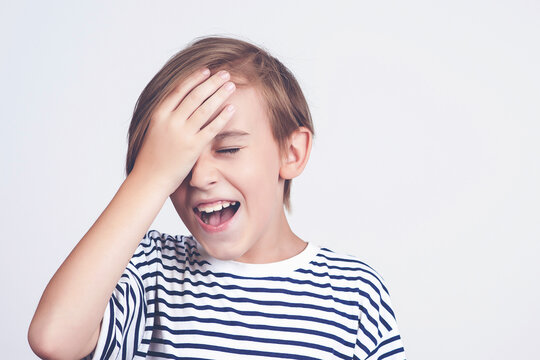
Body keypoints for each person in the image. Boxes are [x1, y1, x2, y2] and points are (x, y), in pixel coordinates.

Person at [28, 36, 406, 360]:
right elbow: (54, 338)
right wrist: (151, 175)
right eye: (180, 160)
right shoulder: (150, 270)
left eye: (228, 150)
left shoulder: (355, 293)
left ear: (291, 153)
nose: (200, 177)